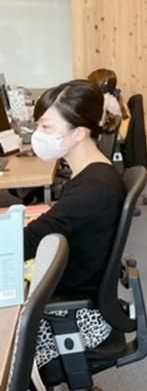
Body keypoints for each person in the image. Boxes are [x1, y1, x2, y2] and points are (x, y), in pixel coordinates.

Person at [24, 79, 126, 367]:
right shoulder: (93, 173)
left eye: (46, 127)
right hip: (67, 298)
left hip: (73, 319)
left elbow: (26, 244)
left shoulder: (93, 188)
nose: (37, 136)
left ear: (78, 133)